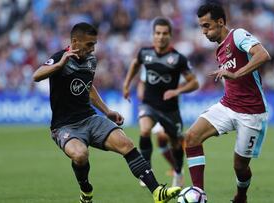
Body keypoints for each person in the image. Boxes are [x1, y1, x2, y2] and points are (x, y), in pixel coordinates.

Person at [32, 22, 181, 203]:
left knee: (126, 144)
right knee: (80, 155)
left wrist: (107, 111)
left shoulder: (91, 61)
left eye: (94, 44)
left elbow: (88, 88)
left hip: (90, 118)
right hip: (64, 125)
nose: (93, 49)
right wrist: (59, 64)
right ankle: (86, 189)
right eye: (89, 44)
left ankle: (157, 192)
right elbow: (37, 75)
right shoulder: (59, 58)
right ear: (75, 41)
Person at [184, 3, 271, 203]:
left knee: (240, 167)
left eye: (207, 26)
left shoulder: (238, 35)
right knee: (191, 137)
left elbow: (263, 55)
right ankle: (199, 194)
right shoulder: (219, 50)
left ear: (221, 22)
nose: (204, 31)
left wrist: (235, 74)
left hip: (252, 113)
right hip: (228, 105)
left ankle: (241, 196)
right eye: (201, 27)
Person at [122, 17, 199, 187]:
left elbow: (194, 83)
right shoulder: (145, 53)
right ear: (153, 35)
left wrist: (177, 91)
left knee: (176, 143)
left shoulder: (178, 58)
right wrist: (127, 84)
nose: (161, 36)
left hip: (170, 109)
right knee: (144, 130)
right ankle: (146, 169)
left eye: (165, 33)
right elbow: (135, 64)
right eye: (158, 33)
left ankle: (178, 172)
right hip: (149, 103)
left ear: (170, 35)